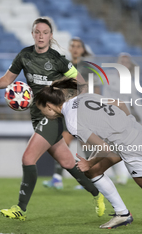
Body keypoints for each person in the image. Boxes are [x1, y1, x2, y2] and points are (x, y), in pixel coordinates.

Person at [34, 78, 142, 229]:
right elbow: (120, 103)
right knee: (93, 172)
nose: (43, 113)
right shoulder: (83, 97)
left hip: (131, 144)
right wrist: (126, 124)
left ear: (49, 106)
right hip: (130, 133)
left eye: (41, 109)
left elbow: (104, 149)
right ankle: (122, 214)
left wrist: (89, 162)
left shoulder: (72, 122)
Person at [0, 18, 105, 221]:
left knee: (28, 158)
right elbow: (9, 78)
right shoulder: (24, 55)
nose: (41, 36)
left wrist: (62, 101)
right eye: (37, 32)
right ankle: (97, 193)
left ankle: (20, 209)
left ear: (51, 36)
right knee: (68, 161)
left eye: (45, 32)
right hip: (36, 116)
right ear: (33, 34)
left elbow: (82, 84)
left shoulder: (58, 59)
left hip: (53, 117)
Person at [42, 37, 100, 190]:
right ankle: (57, 178)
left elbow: (97, 89)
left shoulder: (88, 67)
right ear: (69, 48)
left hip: (84, 111)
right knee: (62, 143)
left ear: (82, 49)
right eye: (73, 46)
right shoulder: (66, 67)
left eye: (78, 46)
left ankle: (91, 179)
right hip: (70, 111)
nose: (75, 49)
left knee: (85, 146)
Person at [102, 52, 142, 185]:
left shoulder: (130, 83)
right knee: (108, 148)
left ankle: (123, 176)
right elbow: (103, 98)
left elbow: (137, 103)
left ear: (129, 66)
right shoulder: (109, 78)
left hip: (123, 119)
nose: (124, 64)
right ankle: (119, 175)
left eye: (126, 62)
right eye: (122, 61)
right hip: (108, 117)